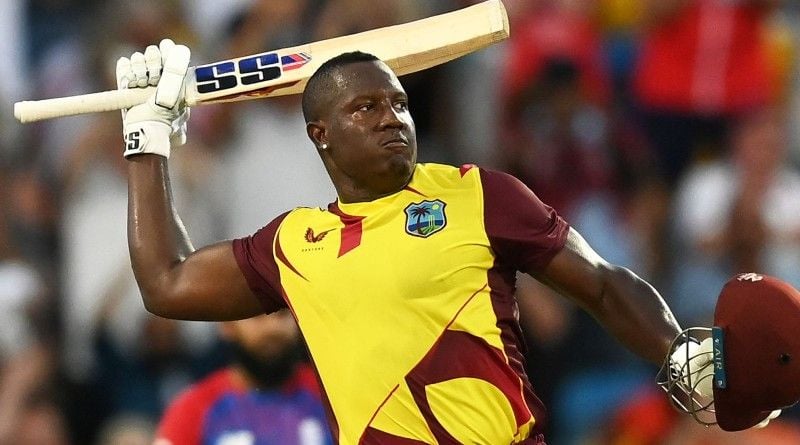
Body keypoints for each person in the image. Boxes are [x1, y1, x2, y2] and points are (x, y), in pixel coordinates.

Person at [117, 39, 691, 444]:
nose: (392, 118)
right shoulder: (292, 243)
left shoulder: (476, 193)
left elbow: (602, 284)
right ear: (321, 136)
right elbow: (167, 283)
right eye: (365, 107)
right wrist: (148, 139)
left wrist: (683, 355)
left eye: (399, 103)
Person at [154, 311, 331, 445]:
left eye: (282, 314)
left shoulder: (332, 397)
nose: (272, 328)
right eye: (256, 317)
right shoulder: (194, 408)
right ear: (227, 326)